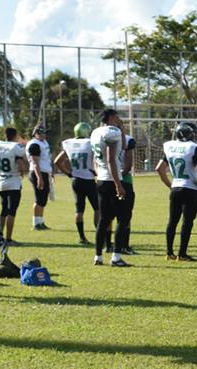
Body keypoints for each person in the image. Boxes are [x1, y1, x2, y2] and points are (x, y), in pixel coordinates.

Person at [157, 121, 197, 261]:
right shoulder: (193, 148)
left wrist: (170, 184)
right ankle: (182, 254)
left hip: (176, 187)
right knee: (187, 221)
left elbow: (159, 168)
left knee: (172, 220)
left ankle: (169, 252)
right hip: (189, 188)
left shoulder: (169, 146)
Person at [89, 109, 129, 267]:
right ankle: (116, 257)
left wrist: (122, 128)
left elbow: (123, 146)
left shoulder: (95, 132)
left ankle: (98, 256)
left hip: (101, 179)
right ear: (112, 117)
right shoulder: (112, 132)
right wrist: (118, 184)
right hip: (112, 179)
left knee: (104, 219)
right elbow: (112, 159)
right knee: (123, 218)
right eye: (117, 116)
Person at [54, 122, 99, 244]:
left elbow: (57, 161)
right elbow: (97, 159)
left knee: (79, 210)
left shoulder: (69, 143)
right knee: (97, 208)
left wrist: (69, 173)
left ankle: (82, 237)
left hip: (76, 180)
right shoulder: (90, 143)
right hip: (89, 180)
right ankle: (99, 235)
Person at [0, 127, 27, 245]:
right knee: (11, 211)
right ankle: (8, 239)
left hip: (1, 182)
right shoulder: (15, 147)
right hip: (13, 182)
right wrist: (22, 171)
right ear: (15, 136)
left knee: (3, 211)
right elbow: (20, 164)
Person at [26, 124, 53, 230]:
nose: (43, 135)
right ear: (35, 133)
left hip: (44, 172)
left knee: (43, 199)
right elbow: (35, 163)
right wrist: (39, 178)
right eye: (41, 133)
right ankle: (36, 223)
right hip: (38, 173)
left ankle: (40, 221)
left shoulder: (43, 142)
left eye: (44, 132)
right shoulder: (34, 145)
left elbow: (45, 159)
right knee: (39, 199)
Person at [116, 132, 137, 255]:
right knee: (125, 216)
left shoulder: (100, 137)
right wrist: (118, 178)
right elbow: (128, 166)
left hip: (106, 180)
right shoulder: (128, 140)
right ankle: (124, 246)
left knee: (107, 217)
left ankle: (107, 245)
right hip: (125, 182)